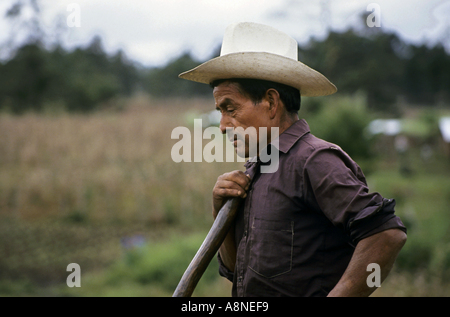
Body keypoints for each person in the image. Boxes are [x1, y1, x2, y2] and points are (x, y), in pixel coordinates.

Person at [178, 22, 407, 297]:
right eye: (220, 112)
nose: (224, 125)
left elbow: (387, 235)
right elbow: (233, 270)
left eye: (231, 109)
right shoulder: (257, 168)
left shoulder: (314, 160)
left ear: (272, 103)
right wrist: (222, 214)